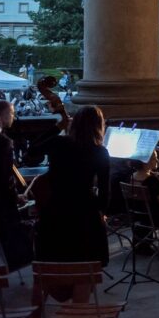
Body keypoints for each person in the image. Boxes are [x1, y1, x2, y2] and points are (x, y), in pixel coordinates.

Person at [33, 106, 111, 306]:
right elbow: (105, 192)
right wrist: (101, 213)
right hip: (85, 214)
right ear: (98, 126)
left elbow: (31, 151)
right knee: (85, 268)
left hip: (54, 211)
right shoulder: (100, 151)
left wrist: (57, 127)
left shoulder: (58, 143)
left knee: (45, 267)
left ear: (73, 123)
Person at [0, 100, 22, 253]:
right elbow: (5, 178)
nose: (13, 117)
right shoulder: (3, 142)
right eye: (11, 114)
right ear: (1, 116)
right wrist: (16, 198)